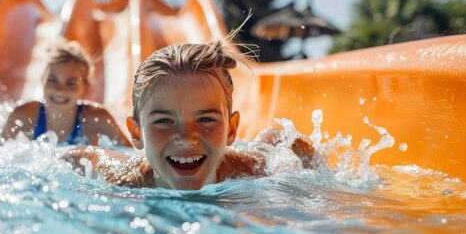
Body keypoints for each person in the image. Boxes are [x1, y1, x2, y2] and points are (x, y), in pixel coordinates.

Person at [61, 36, 316, 190]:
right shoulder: (122, 179)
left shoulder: (251, 170)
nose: (186, 137)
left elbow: (296, 144)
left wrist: (316, 169)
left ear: (231, 129)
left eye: (205, 119)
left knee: (272, 141)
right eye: (164, 121)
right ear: (136, 133)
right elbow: (77, 156)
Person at [0, 39, 131, 146]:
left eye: (71, 83)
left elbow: (130, 155)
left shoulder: (97, 120)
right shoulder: (24, 116)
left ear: (85, 88)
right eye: (52, 80)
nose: (60, 90)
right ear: (42, 81)